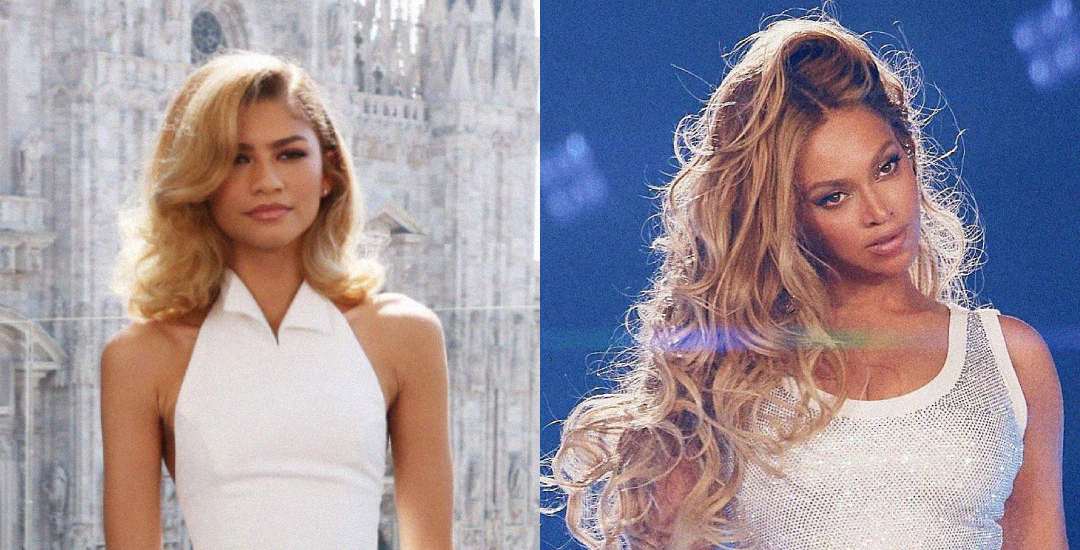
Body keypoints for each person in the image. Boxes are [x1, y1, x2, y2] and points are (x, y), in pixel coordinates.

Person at [545, 14, 1066, 550]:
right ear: (787, 215)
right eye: (833, 196)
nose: (879, 211)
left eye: (886, 167)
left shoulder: (1009, 360)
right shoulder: (731, 376)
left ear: (910, 153)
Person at [100, 51, 452, 549]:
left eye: (289, 154)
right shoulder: (140, 357)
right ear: (201, 182)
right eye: (237, 158)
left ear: (329, 171)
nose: (266, 181)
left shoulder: (406, 335)